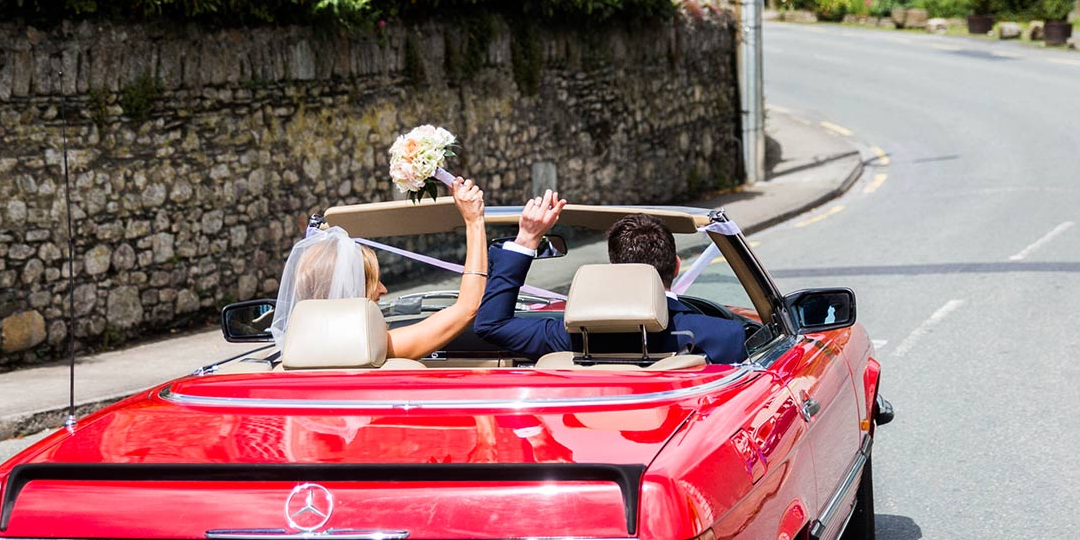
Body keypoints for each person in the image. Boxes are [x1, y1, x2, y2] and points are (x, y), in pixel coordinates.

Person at [473, 190, 745, 366]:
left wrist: (526, 239)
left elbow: (491, 324)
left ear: (616, 270)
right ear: (675, 267)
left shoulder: (571, 336)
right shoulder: (724, 337)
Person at [272, 177, 488, 361]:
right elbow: (468, 308)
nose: (383, 290)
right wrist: (474, 221)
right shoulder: (370, 346)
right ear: (349, 289)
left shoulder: (295, 350)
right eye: (371, 282)